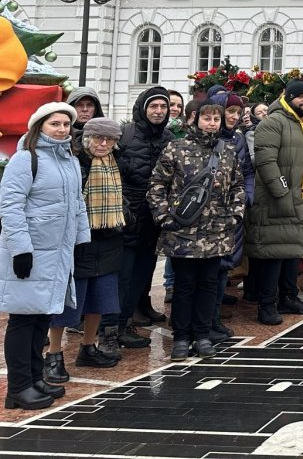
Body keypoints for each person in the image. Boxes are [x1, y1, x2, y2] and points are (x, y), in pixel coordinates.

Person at [0, 103, 90, 410]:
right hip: (31, 253)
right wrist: (21, 249)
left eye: (66, 124)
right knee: (23, 320)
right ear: (40, 126)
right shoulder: (26, 159)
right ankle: (18, 387)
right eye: (55, 124)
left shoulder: (70, 161)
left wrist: (81, 238)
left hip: (58, 254)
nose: (62, 129)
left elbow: (78, 203)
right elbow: (10, 206)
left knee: (42, 318)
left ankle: (35, 378)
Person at [146, 101, 244, 360]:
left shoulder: (227, 152)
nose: (211, 123)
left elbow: (237, 186)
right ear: (194, 119)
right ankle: (181, 337)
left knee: (209, 284)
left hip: (216, 231)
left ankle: (202, 335)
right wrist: (165, 216)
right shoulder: (177, 148)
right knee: (185, 285)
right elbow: (157, 184)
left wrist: (235, 214)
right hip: (183, 231)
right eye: (206, 118)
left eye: (216, 119)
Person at [44, 116, 125, 385]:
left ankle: (88, 348)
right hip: (79, 239)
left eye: (109, 139)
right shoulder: (76, 162)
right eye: (99, 138)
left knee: (100, 298)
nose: (103, 143)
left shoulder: (117, 163)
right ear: (87, 138)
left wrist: (128, 215)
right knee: (69, 300)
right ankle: (54, 355)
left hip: (109, 237)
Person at [245, 80, 303, 326]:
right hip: (280, 200)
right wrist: (282, 192)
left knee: (293, 252)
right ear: (288, 97)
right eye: (300, 97)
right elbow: (265, 162)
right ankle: (267, 304)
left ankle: (289, 296)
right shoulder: (274, 122)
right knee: (274, 255)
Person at [112, 86, 174, 349]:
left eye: (163, 107)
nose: (158, 112)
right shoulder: (125, 135)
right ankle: (111, 328)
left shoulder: (169, 138)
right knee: (122, 276)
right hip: (127, 216)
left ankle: (125, 322)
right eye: (153, 106)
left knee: (141, 273)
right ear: (143, 108)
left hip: (152, 219)